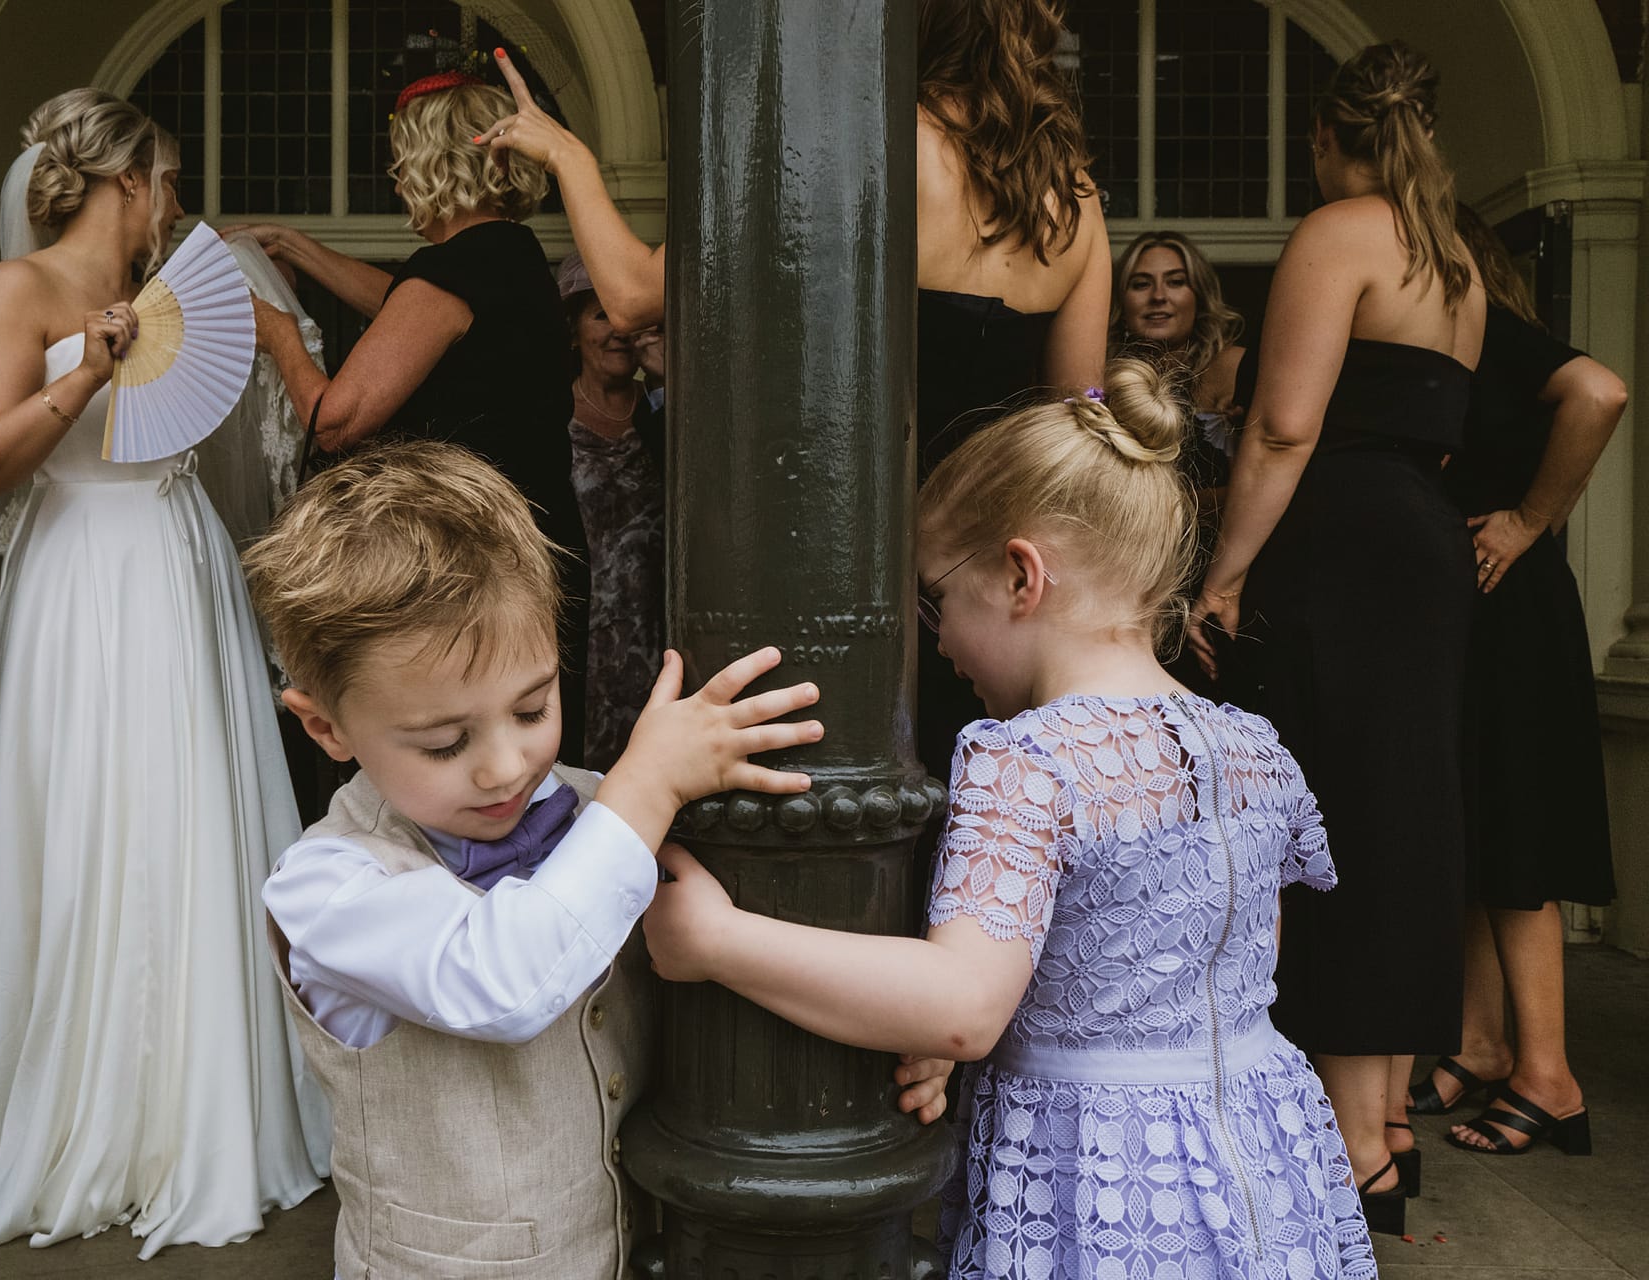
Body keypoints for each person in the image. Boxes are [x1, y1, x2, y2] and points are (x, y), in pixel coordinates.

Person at [642, 359, 1380, 1276]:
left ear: (1021, 576)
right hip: (1268, 1163)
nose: (939, 638)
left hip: (1104, 1183)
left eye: (937, 598)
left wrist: (714, 939)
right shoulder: (1253, 748)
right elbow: (1197, 956)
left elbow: (962, 1008)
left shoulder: (1023, 758)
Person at [246, 441, 930, 1276]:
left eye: (532, 707)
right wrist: (645, 790)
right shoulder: (327, 887)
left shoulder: (601, 809)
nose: (503, 766)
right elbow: (501, 979)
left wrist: (903, 1044)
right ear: (326, 729)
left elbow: (771, 947)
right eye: (443, 742)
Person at [478, 5, 1112, 776]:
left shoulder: (877, 143)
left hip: (849, 574)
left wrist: (568, 155)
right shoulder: (1070, 189)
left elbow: (634, 295)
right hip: (999, 587)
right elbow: (1078, 414)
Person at [0, 88, 324, 1254]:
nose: (175, 202)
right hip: (79, 569)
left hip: (176, 557)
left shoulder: (169, 294)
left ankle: (200, 1109)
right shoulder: (19, 291)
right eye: (167, 180)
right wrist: (86, 374)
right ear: (129, 183)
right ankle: (84, 1109)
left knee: (189, 822)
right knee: (89, 822)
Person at [1186, 42, 1485, 1224]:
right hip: (1421, 541)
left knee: (1323, 826)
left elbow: (1282, 428)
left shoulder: (1339, 230)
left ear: (1326, 134)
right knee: (1403, 818)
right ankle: (1382, 1125)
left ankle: (1348, 1140)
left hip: (1340, 546)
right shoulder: (1453, 256)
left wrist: (1223, 574)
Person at [235, 72, 589, 760]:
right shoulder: (507, 255)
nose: (397, 184)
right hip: (533, 542)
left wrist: (279, 334)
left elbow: (335, 421)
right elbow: (406, 305)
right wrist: (301, 248)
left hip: (471, 565)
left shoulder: (454, 272)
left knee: (463, 752)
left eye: (401, 165)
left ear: (428, 165)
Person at [1401, 206, 1622, 1159]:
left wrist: (1530, 521)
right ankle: (1484, 1042)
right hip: (1481, 610)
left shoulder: (1489, 324)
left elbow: (1603, 393)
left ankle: (1551, 1076)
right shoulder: (1463, 341)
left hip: (1512, 608)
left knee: (1516, 837)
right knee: (1479, 825)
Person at [1110, 230, 1248, 694]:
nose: (1158, 297)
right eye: (1140, 283)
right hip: (1133, 579)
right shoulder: (1102, 377)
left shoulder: (1234, 368)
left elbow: (1271, 484)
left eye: (1175, 281)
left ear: (1199, 294)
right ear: (1120, 299)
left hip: (1223, 574)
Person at [558, 253, 664, 769]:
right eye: (601, 316)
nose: (618, 332)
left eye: (630, 319)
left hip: (658, 642)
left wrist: (665, 379)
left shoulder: (664, 407)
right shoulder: (549, 416)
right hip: (579, 642)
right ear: (574, 332)